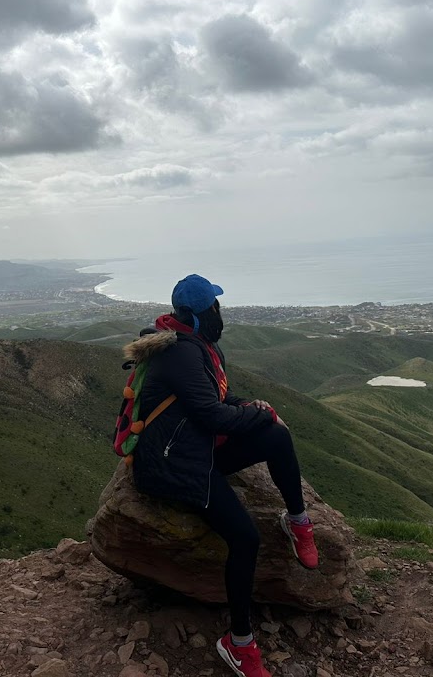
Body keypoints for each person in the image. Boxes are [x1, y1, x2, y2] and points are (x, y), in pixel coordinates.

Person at [123, 273, 318, 677]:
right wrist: (256, 413)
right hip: (174, 465)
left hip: (195, 448)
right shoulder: (179, 353)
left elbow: (219, 400)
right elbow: (211, 414)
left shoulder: (198, 348)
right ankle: (239, 643)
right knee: (245, 538)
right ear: (194, 315)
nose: (218, 314)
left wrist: (253, 407)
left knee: (276, 436)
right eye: (212, 308)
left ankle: (297, 521)